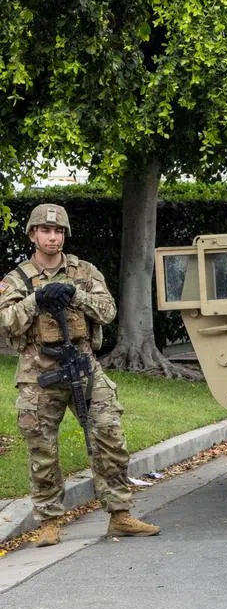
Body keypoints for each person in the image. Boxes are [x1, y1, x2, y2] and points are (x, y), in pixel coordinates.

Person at [0, 204, 160, 546]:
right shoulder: (17, 279)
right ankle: (49, 522)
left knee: (109, 436)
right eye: (45, 230)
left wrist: (75, 293)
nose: (52, 237)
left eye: (58, 232)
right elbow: (7, 321)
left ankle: (120, 514)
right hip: (38, 373)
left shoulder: (83, 271)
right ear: (32, 234)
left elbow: (108, 310)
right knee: (42, 449)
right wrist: (37, 299)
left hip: (84, 366)